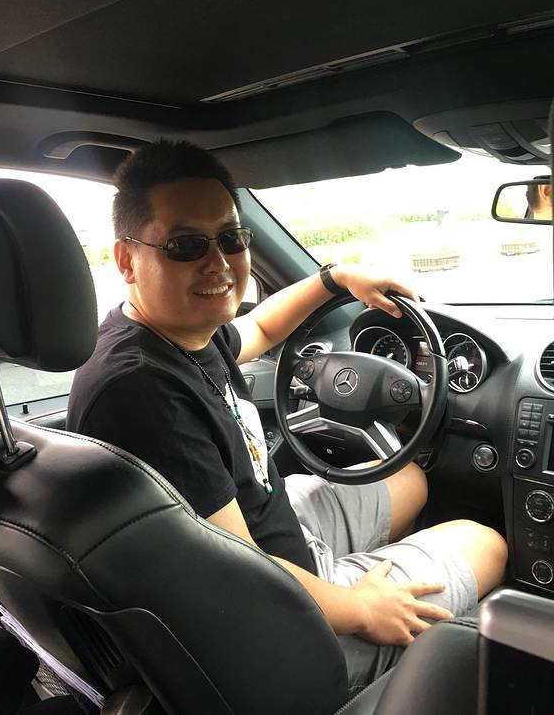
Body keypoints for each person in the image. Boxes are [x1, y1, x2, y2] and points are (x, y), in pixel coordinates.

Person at [67, 140, 507, 695]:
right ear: (127, 260)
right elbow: (238, 572)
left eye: (231, 238)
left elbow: (259, 328)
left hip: (269, 533)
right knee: (483, 543)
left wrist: (336, 279)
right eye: (186, 245)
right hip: (273, 625)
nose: (219, 263)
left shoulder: (164, 333)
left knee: (411, 478)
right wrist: (361, 607)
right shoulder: (142, 395)